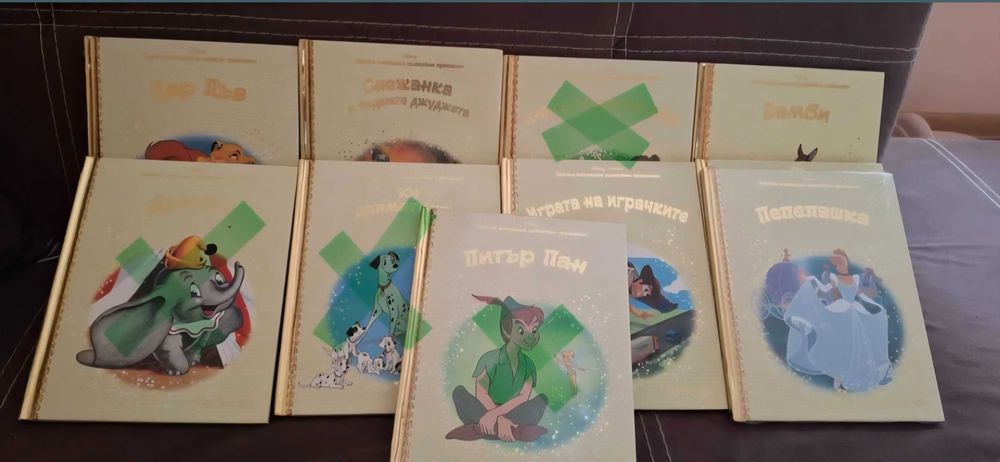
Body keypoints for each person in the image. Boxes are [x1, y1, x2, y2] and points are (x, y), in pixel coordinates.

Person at [783, 249, 893, 392]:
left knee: (856, 341)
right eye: (837, 264)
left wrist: (876, 306)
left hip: (852, 310)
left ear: (845, 263)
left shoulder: (855, 278)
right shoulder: (834, 277)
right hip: (840, 309)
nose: (838, 266)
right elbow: (826, 288)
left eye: (840, 263)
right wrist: (813, 281)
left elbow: (861, 295)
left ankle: (850, 371)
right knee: (840, 339)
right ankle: (838, 373)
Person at [446, 295, 549, 443]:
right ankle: (516, 431)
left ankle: (480, 429)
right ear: (507, 331)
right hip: (485, 407)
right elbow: (481, 394)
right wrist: (500, 419)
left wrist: (495, 416)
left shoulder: (529, 365)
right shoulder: (490, 359)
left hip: (512, 410)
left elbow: (522, 397)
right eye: (521, 331)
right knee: (459, 392)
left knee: (541, 400)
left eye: (534, 329)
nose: (531, 336)